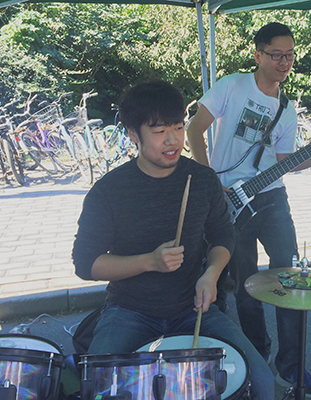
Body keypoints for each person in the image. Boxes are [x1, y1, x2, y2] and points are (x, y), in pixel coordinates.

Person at [72, 80, 274, 400]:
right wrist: (149, 262)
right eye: (159, 131)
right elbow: (86, 263)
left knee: (261, 381)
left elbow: (222, 235)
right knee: (96, 387)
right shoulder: (109, 191)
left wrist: (211, 274)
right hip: (129, 311)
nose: (173, 140)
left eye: (178, 127)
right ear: (133, 134)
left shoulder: (203, 180)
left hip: (193, 309)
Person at [187, 22, 311, 393]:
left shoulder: (287, 109)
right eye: (277, 55)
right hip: (228, 200)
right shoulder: (232, 86)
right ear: (258, 55)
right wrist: (210, 182)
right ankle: (258, 356)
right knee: (246, 286)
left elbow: (283, 161)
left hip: (271, 199)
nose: (284, 62)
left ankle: (292, 367)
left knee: (292, 277)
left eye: (290, 56)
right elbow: (194, 130)